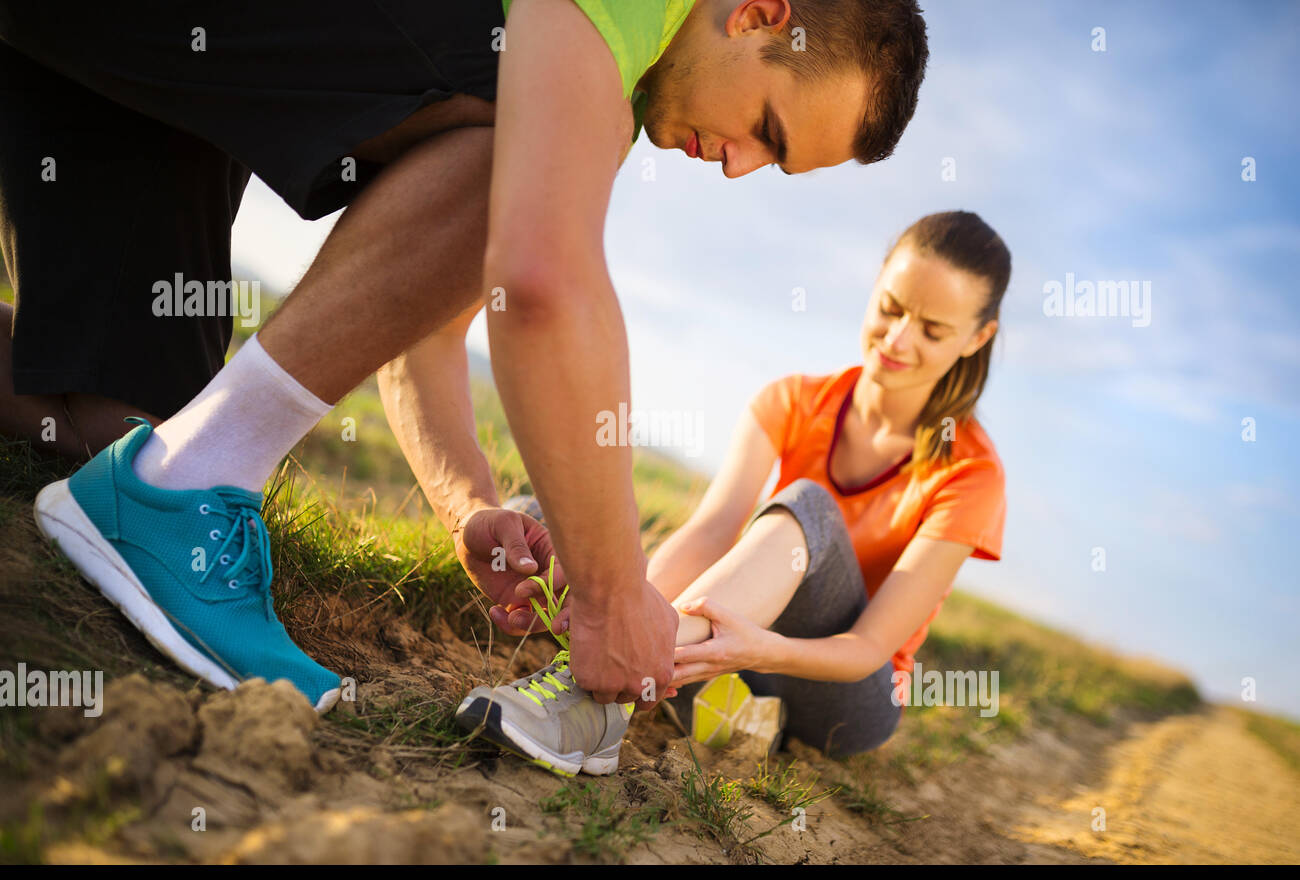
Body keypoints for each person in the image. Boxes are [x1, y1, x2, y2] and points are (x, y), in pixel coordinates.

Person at [7, 0, 928, 758]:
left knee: (111, 422)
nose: (737, 165)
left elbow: (430, 326)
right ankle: (192, 482)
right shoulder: (614, 26)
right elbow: (536, 282)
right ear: (758, 14)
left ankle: (177, 468)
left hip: (104, 54)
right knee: (513, 129)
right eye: (765, 129)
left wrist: (466, 508)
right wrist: (609, 598)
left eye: (771, 162)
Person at [462, 211, 1008, 769]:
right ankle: (663, 681)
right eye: (890, 308)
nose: (897, 338)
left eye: (932, 330)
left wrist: (758, 648)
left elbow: (868, 649)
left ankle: (598, 693)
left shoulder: (972, 474)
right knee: (534, 523)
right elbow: (713, 529)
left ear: (977, 337)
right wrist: (621, 606)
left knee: (808, 505)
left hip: (846, 692)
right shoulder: (791, 400)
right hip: (738, 646)